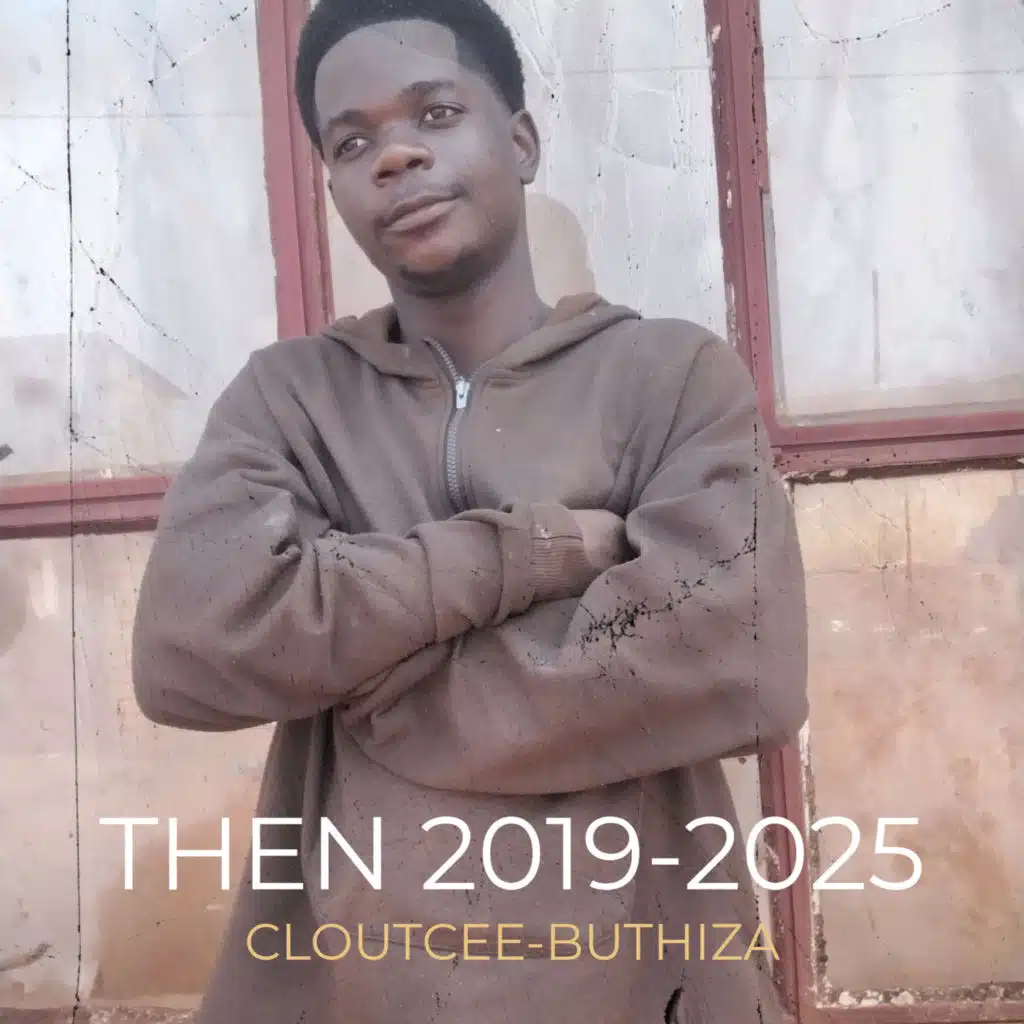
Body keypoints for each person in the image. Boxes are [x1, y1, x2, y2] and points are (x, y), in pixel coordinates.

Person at [131, 0, 809, 1020]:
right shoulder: (290, 400)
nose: (395, 155)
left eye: (436, 113)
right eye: (351, 142)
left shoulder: (668, 376)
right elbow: (192, 648)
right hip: (347, 985)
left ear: (521, 141)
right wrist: (532, 554)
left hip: (636, 977)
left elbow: (738, 660)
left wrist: (375, 674)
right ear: (334, 188)